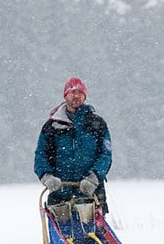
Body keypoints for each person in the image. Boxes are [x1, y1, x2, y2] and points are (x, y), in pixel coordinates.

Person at [34, 77, 113, 212]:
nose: (76, 96)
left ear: (85, 96)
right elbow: (41, 155)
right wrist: (47, 176)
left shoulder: (97, 123)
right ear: (66, 95)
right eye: (73, 92)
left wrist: (94, 178)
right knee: (61, 233)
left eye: (80, 93)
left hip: (91, 194)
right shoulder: (52, 126)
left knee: (93, 233)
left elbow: (106, 155)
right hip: (59, 195)